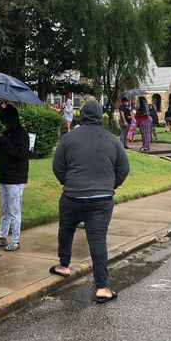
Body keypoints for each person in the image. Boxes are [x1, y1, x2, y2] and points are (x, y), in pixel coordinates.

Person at [50, 101, 130, 304]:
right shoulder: (112, 140)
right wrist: (110, 185)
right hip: (101, 199)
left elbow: (58, 166)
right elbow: (124, 168)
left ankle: (63, 265)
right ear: (100, 116)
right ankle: (102, 287)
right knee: (97, 239)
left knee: (66, 228)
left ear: (82, 115)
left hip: (72, 195)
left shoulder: (69, 138)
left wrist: (69, 183)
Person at [0, 105, 29, 252]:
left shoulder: (22, 134)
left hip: (16, 178)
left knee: (14, 211)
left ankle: (15, 240)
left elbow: (20, 153)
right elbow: (0, 153)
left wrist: (3, 141)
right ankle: (2, 237)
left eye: (6, 122)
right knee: (4, 210)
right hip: (4, 176)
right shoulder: (6, 133)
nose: (5, 125)